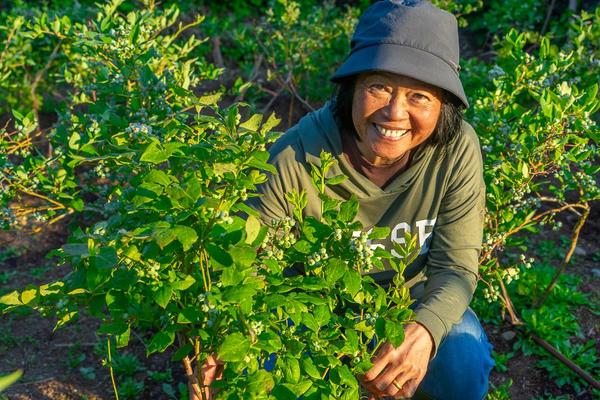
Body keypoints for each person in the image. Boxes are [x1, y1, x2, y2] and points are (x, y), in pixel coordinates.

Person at [199, 1, 494, 399]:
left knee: (461, 357)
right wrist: (222, 342)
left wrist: (424, 329)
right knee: (255, 369)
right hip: (308, 311)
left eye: (419, 96)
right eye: (379, 87)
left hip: (406, 302)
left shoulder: (455, 150)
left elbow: (455, 267)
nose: (395, 113)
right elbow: (247, 267)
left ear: (443, 106)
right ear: (351, 87)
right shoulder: (296, 156)